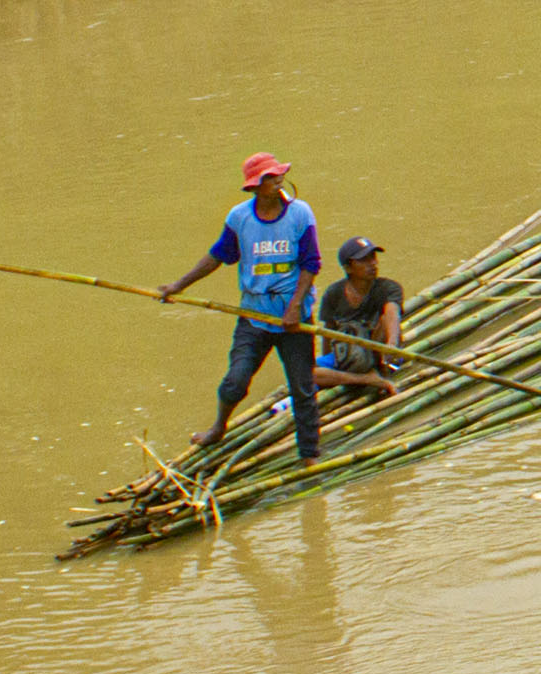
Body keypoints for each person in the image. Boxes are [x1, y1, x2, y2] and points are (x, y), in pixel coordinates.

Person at [161, 153, 324, 462]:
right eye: (268, 178)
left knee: (303, 388)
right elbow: (218, 256)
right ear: (254, 187)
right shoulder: (240, 218)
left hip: (294, 320)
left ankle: (309, 455)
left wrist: (295, 306)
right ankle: (219, 427)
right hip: (254, 316)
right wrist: (178, 286)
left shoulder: (300, 214)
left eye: (278, 175)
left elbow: (311, 264)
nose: (276, 180)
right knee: (235, 380)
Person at [313, 237, 408, 403]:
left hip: (378, 352)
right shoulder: (334, 293)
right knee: (304, 372)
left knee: (385, 318)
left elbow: (392, 314)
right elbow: (328, 332)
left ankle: (378, 371)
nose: (373, 264)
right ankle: (364, 378)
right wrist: (332, 361)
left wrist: (391, 346)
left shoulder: (389, 288)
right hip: (348, 354)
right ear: (348, 267)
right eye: (364, 260)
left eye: (373, 257)